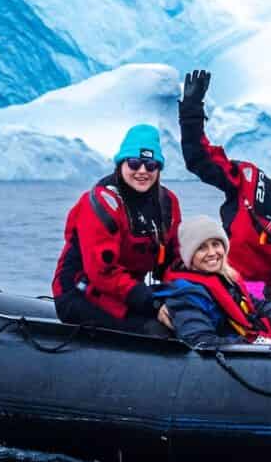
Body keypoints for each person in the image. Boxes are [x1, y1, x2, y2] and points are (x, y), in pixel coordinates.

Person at [176, 68, 271, 308]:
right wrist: (191, 111)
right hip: (217, 274)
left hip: (258, 292)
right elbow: (200, 160)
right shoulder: (249, 178)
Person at [51, 123, 180, 331]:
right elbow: (102, 273)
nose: (142, 171)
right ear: (121, 164)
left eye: (150, 165)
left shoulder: (167, 204)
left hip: (127, 294)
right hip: (83, 294)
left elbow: (175, 258)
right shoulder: (101, 203)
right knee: (156, 332)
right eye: (134, 163)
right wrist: (152, 305)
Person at [156, 214, 271, 348]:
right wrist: (252, 345)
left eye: (216, 244)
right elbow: (201, 341)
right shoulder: (185, 294)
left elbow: (260, 305)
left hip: (251, 344)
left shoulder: (227, 279)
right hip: (231, 357)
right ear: (190, 256)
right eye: (201, 248)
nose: (211, 253)